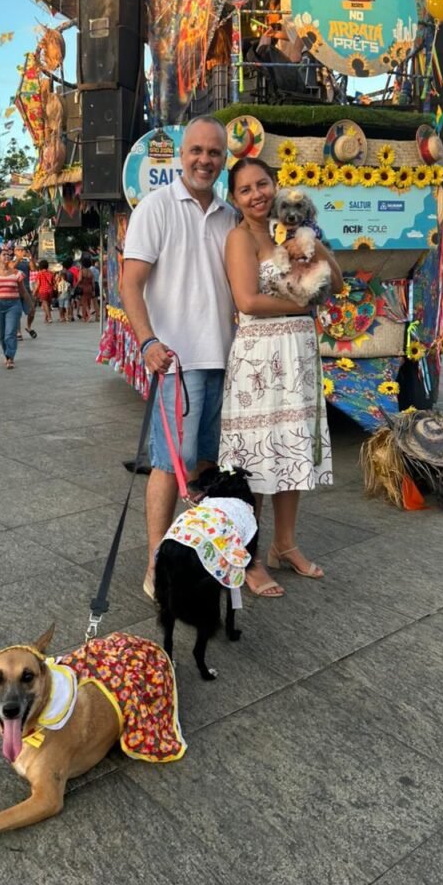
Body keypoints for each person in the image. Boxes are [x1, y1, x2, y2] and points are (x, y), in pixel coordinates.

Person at [121, 116, 237, 599]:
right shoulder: (156, 207)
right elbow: (130, 283)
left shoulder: (230, 216)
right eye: (197, 151)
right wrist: (148, 341)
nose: (205, 160)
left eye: (214, 152)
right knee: (169, 464)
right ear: (182, 154)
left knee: (205, 466)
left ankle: (196, 555)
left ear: (224, 159)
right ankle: (156, 565)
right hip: (175, 363)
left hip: (224, 359)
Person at [218, 157, 343, 596]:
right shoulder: (240, 238)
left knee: (292, 452)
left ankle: (284, 545)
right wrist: (303, 306)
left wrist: (312, 241)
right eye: (245, 189)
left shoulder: (291, 230)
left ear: (276, 186)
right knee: (254, 461)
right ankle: (249, 555)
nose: (257, 194)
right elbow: (247, 301)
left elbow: (337, 283)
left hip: (298, 354)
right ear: (235, 199)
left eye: (262, 184)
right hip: (260, 356)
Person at [0, 246, 34, 369]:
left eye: (8, 255)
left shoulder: (17, 274)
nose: (7, 256)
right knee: (1, 334)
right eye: (4, 255)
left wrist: (31, 305)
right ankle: (6, 354)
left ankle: (10, 357)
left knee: (10, 333)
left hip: (13, 305)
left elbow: (23, 292)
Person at [261, 0, 304, 96]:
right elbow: (294, 31)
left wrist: (296, 50)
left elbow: (306, 23)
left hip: (304, 55)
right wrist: (276, 34)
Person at [12, 246, 38, 339]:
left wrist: (30, 258)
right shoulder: (11, 261)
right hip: (15, 290)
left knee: (32, 310)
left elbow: (33, 268)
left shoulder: (26, 262)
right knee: (17, 312)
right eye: (18, 250)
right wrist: (19, 258)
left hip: (26, 289)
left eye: (22, 250)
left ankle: (28, 327)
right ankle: (18, 332)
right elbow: (11, 268)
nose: (21, 251)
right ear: (14, 252)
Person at [34, 259, 56, 323]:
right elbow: (53, 282)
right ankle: (46, 318)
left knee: (45, 303)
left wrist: (34, 292)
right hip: (50, 290)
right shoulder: (51, 273)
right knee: (48, 304)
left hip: (43, 290)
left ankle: (49, 317)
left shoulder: (39, 274)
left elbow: (38, 284)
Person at [77, 256, 97, 322]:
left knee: (84, 303)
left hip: (83, 287)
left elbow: (80, 279)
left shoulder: (82, 271)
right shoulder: (91, 272)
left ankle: (88, 315)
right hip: (90, 288)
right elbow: (93, 283)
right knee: (87, 302)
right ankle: (85, 317)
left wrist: (76, 285)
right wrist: (93, 290)